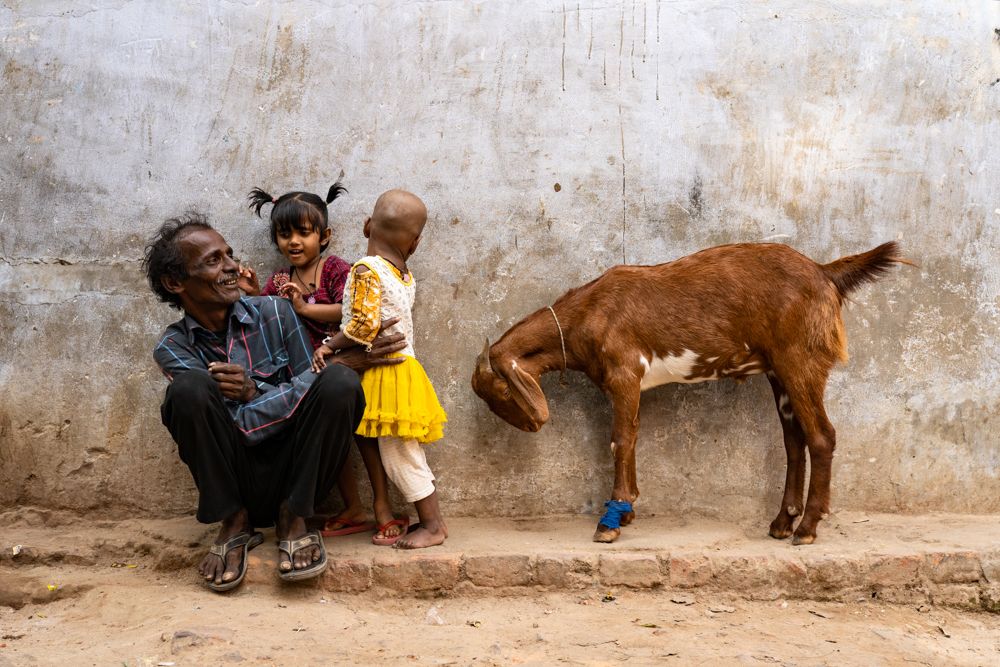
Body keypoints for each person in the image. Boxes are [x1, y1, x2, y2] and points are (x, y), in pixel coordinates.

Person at [142, 212, 405, 592]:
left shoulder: (277, 312)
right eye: (214, 261)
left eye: (229, 255)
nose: (232, 267)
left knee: (341, 381)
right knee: (187, 392)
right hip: (235, 479)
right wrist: (295, 386)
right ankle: (234, 523)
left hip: (299, 476)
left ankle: (295, 518)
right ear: (174, 282)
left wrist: (256, 392)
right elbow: (241, 427)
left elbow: (318, 394)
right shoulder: (174, 347)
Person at [242, 183, 400, 544]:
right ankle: (354, 507)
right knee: (333, 441)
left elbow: (354, 311)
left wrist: (306, 308)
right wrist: (253, 293)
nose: (293, 242)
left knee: (363, 436)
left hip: (346, 364)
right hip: (306, 374)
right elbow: (268, 313)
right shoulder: (281, 280)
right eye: (284, 234)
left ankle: (382, 506)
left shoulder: (336, 270)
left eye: (303, 232)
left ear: (324, 235)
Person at [313, 190, 448, 549]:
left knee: (399, 451)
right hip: (405, 369)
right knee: (402, 448)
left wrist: (329, 346)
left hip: (388, 373)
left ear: (366, 226)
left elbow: (362, 325)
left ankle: (433, 524)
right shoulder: (404, 275)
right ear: (414, 244)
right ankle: (428, 519)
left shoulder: (364, 269)